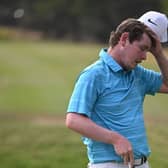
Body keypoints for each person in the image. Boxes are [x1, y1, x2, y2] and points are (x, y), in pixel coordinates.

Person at [66, 16, 168, 168]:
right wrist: (115, 139)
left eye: (149, 50)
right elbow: (73, 120)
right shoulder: (94, 74)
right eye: (142, 48)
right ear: (124, 39)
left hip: (142, 164)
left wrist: (159, 53)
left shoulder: (138, 74)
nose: (145, 57)